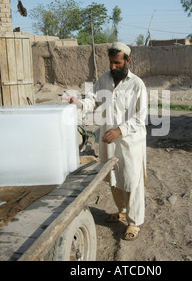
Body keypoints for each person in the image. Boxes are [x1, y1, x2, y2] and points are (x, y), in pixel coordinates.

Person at [70, 42, 148, 241]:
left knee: (132, 180)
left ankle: (134, 222)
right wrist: (80, 103)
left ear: (127, 61)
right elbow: (92, 99)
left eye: (117, 63)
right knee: (114, 178)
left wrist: (120, 130)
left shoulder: (137, 84)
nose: (113, 67)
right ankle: (122, 211)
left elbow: (141, 117)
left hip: (131, 142)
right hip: (109, 140)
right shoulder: (104, 78)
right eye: (111, 63)